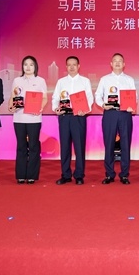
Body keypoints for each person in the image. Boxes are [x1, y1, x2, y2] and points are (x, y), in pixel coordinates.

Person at [94, 53, 136, 185]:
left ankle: (124, 175)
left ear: (124, 64)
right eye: (115, 61)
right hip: (110, 114)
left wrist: (132, 106)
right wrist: (103, 105)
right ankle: (109, 174)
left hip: (125, 114)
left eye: (120, 61)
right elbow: (97, 95)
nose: (117, 63)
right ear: (111, 64)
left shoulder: (129, 80)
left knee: (125, 144)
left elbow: (134, 97)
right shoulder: (104, 79)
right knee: (109, 144)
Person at [52, 56, 93, 186]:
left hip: (79, 117)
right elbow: (55, 98)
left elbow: (89, 98)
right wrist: (56, 108)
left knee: (79, 147)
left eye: (74, 64)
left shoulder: (85, 81)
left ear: (78, 66)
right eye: (69, 65)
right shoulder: (61, 82)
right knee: (65, 147)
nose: (71, 67)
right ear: (66, 66)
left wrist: (85, 110)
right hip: (64, 117)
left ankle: (79, 175)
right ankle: (66, 175)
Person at [8, 55, 48, 184]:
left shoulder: (40, 81)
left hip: (34, 119)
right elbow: (13, 97)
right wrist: (11, 107)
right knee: (21, 146)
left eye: (31, 64)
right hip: (19, 118)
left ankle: (31, 175)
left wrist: (40, 108)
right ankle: (20, 175)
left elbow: (44, 98)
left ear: (35, 66)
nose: (28, 67)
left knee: (33, 146)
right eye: (25, 64)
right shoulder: (17, 80)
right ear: (22, 66)